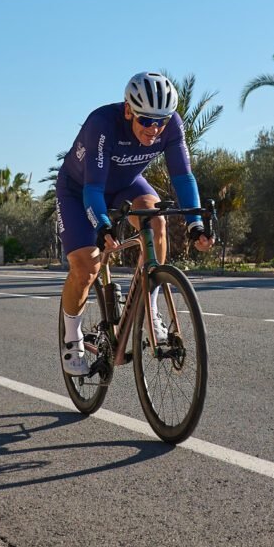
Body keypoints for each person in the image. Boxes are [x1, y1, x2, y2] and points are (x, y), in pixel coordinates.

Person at [55, 71, 214, 376]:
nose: (154, 129)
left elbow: (183, 176)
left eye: (161, 121)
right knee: (86, 267)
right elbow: (93, 190)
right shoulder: (102, 124)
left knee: (157, 222)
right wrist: (102, 225)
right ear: (128, 110)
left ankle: (150, 309)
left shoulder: (172, 126)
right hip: (79, 191)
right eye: (146, 121)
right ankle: (72, 336)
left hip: (127, 184)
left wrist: (196, 224)